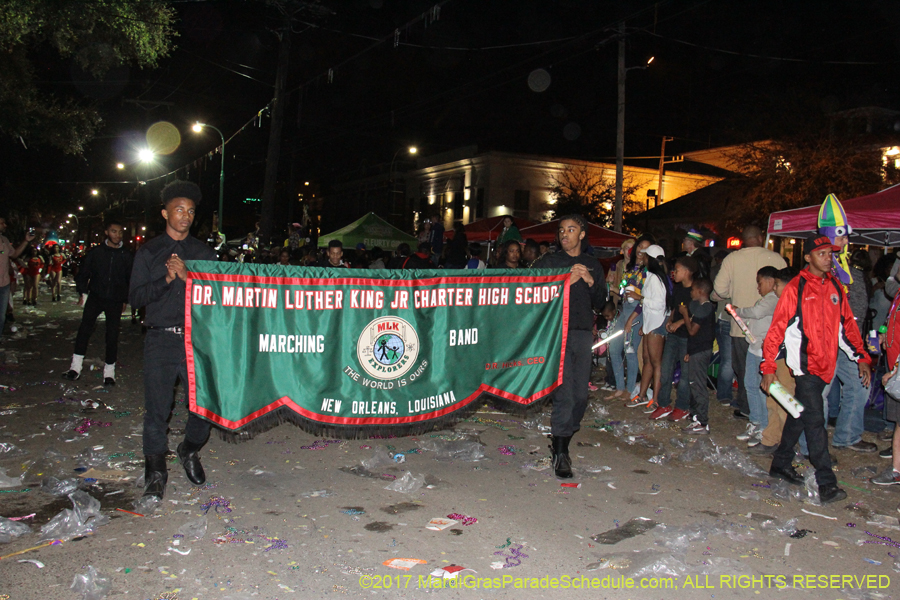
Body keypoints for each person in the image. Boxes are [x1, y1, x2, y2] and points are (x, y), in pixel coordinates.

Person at [761, 235, 871, 504]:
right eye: (821, 253)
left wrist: (862, 357)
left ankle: (780, 463)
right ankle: (826, 482)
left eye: (830, 253)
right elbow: (777, 329)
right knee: (815, 422)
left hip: (827, 367)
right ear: (808, 257)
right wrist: (769, 367)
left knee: (800, 415)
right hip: (805, 368)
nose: (827, 258)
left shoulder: (834, 286)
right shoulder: (796, 288)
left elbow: (847, 327)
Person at [129, 181, 217, 500]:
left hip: (196, 340)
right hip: (160, 339)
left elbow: (218, 298)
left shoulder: (203, 254)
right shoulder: (149, 252)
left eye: (191, 211)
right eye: (179, 210)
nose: (185, 216)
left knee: (203, 409)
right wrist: (166, 279)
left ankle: (189, 450)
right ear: (165, 212)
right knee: (157, 410)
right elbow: (136, 297)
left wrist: (189, 276)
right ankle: (155, 470)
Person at [533, 215, 607, 478]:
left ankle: (565, 432)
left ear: (582, 234)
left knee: (580, 396)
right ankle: (561, 451)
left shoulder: (592, 264)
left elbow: (601, 302)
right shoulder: (550, 262)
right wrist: (565, 282)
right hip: (556, 333)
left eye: (571, 230)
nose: (565, 234)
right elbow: (534, 294)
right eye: (562, 230)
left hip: (582, 333)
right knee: (564, 393)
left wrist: (589, 280)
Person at [817, 195, 877, 452]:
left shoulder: (843, 265)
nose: (846, 241)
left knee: (859, 385)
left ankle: (847, 436)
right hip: (824, 341)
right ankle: (813, 446)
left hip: (847, 341)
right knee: (818, 395)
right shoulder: (818, 268)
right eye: (841, 236)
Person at [713, 225, 786, 420]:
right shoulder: (776, 258)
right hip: (772, 327)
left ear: (743, 240)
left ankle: (748, 408)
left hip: (741, 326)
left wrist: (735, 292)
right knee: (768, 370)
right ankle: (768, 411)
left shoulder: (732, 259)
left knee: (745, 371)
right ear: (761, 237)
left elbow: (719, 289)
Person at [65, 220, 134, 385]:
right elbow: (83, 273)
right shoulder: (96, 252)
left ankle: (109, 373)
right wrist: (83, 292)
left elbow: (129, 279)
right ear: (106, 232)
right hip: (96, 297)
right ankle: (75, 368)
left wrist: (125, 299)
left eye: (119, 232)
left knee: (112, 336)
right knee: (84, 331)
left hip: (115, 300)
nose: (117, 235)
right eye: (113, 231)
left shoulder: (126, 255)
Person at [750, 266, 800, 455]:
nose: (775, 288)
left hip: (787, 361)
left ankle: (787, 444)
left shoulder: (796, 307)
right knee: (773, 400)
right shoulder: (783, 304)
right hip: (776, 359)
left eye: (777, 284)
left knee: (785, 402)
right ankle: (771, 439)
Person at [732, 266, 780, 445]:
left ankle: (764, 428)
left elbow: (756, 313)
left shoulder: (773, 299)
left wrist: (739, 311)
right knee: (750, 385)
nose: (758, 287)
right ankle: (755, 421)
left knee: (762, 390)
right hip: (754, 348)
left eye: (759, 283)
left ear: (769, 281)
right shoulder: (764, 300)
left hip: (764, 351)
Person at [647, 255, 698, 421]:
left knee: (684, 376)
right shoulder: (677, 289)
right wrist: (670, 321)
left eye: (676, 269)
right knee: (665, 370)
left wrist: (680, 323)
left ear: (686, 271)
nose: (673, 273)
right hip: (674, 336)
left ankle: (682, 407)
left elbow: (698, 314)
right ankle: (663, 404)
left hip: (687, 338)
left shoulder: (696, 290)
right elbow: (675, 308)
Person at [625, 244, 671, 408]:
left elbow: (659, 304)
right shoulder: (651, 276)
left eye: (645, 256)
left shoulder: (656, 279)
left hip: (656, 324)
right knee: (647, 361)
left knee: (655, 363)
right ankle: (642, 395)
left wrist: (640, 298)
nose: (642, 258)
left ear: (650, 259)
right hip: (650, 323)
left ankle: (656, 400)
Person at [609, 235, 652, 400]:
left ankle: (629, 388)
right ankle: (620, 387)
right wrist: (613, 286)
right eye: (639, 246)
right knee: (614, 348)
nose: (641, 250)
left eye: (645, 248)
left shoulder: (650, 271)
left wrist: (638, 297)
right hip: (625, 308)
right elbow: (623, 291)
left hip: (637, 311)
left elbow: (654, 298)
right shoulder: (630, 268)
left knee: (630, 350)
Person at [871, 284, 900, 485]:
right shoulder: (898, 293)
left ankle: (897, 470)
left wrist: (896, 370)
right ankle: (897, 470)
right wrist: (884, 336)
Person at [680, 277, 717, 434]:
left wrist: (685, 315)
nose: (691, 292)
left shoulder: (705, 309)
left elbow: (692, 331)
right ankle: (696, 416)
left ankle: (702, 422)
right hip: (697, 350)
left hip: (701, 351)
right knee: (693, 382)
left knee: (698, 384)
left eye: (693, 289)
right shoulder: (702, 307)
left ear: (701, 291)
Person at [0, 218, 36, 337]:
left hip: (4, 284)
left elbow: (14, 254)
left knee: (1, 317)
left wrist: (26, 241)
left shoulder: (4, 240)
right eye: (2, 223)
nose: (5, 225)